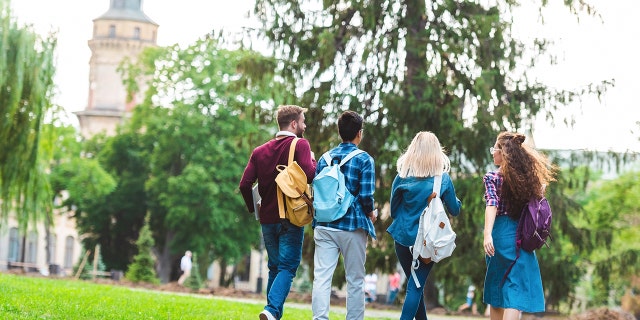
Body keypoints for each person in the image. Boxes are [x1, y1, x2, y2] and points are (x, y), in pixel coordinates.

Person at [239, 105, 316, 320]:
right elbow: (310, 175)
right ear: (293, 124)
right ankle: (271, 310)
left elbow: (245, 184)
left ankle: (272, 315)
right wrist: (313, 160)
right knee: (288, 267)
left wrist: (254, 208)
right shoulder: (300, 145)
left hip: (267, 220)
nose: (305, 125)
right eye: (302, 121)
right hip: (290, 218)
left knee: (275, 268)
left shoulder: (259, 151)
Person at [386, 131, 462, 320]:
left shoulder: (402, 177)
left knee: (415, 286)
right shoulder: (442, 179)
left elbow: (394, 211)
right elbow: (455, 210)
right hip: (427, 243)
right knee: (415, 286)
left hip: (403, 240)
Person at [311, 110, 377, 320]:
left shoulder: (324, 159)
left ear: (340, 133)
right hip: (352, 225)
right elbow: (366, 196)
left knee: (321, 277)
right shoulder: (365, 159)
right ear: (359, 133)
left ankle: (319, 318)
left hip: (324, 223)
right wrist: (371, 212)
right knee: (355, 280)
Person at [483, 131, 556, 320]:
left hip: (498, 235)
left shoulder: (493, 178)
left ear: (503, 153)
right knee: (515, 290)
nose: (492, 153)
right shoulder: (528, 182)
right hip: (520, 237)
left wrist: (487, 234)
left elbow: (492, 204)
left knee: (497, 288)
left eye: (494, 149)